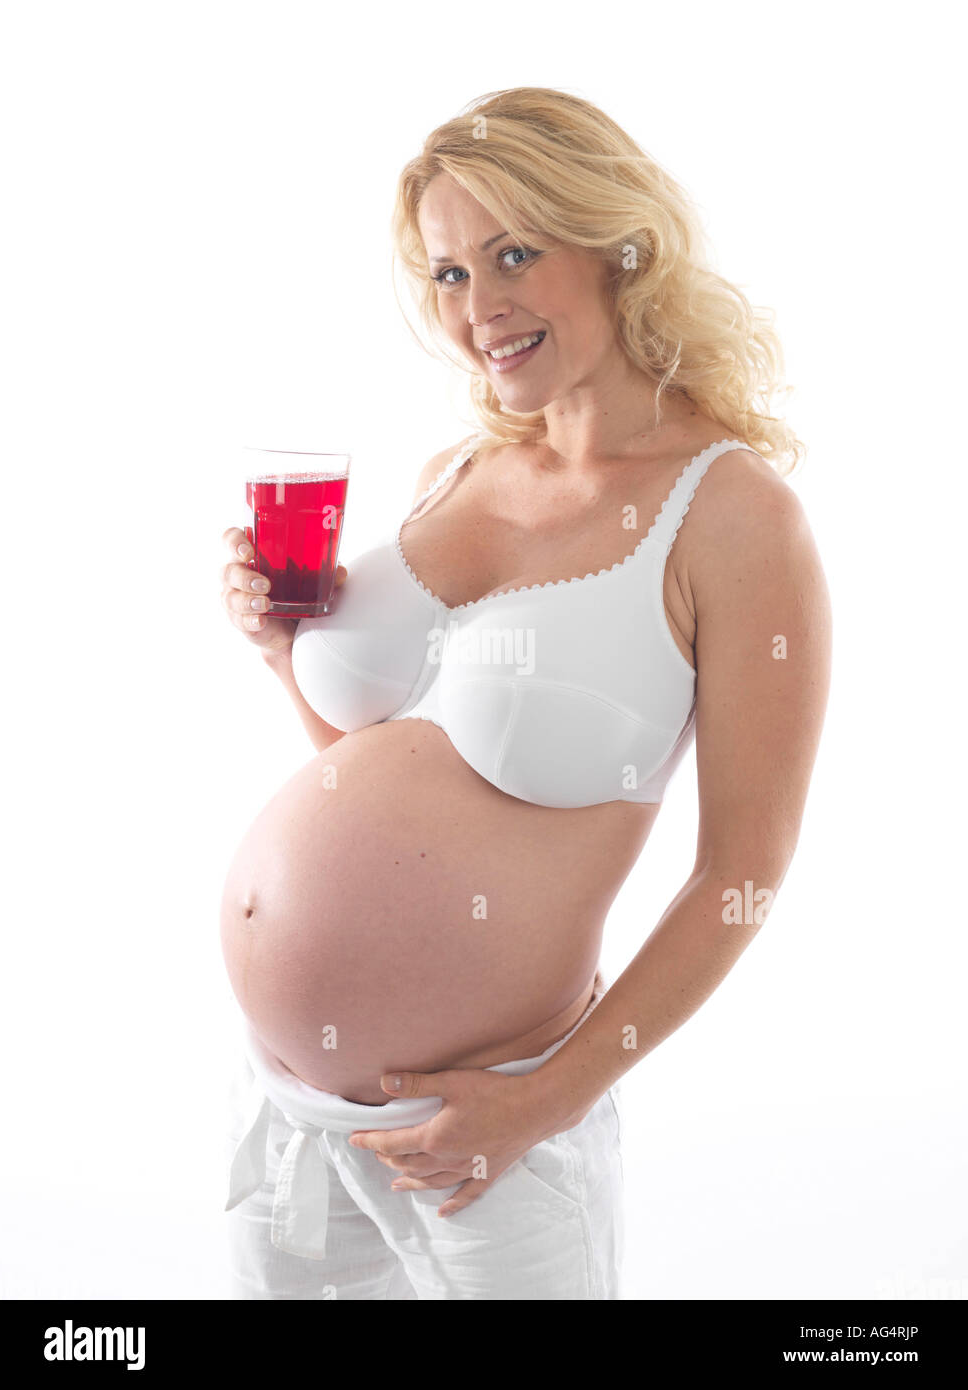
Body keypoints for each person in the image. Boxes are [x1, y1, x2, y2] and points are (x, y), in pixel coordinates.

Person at [217, 86, 832, 1300]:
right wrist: (281, 648)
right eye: (446, 274)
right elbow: (390, 762)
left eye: (511, 255)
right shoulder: (462, 468)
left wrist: (542, 1102)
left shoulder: (734, 517)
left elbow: (739, 875)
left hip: (485, 1147)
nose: (477, 309)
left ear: (617, 246)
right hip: (286, 1112)